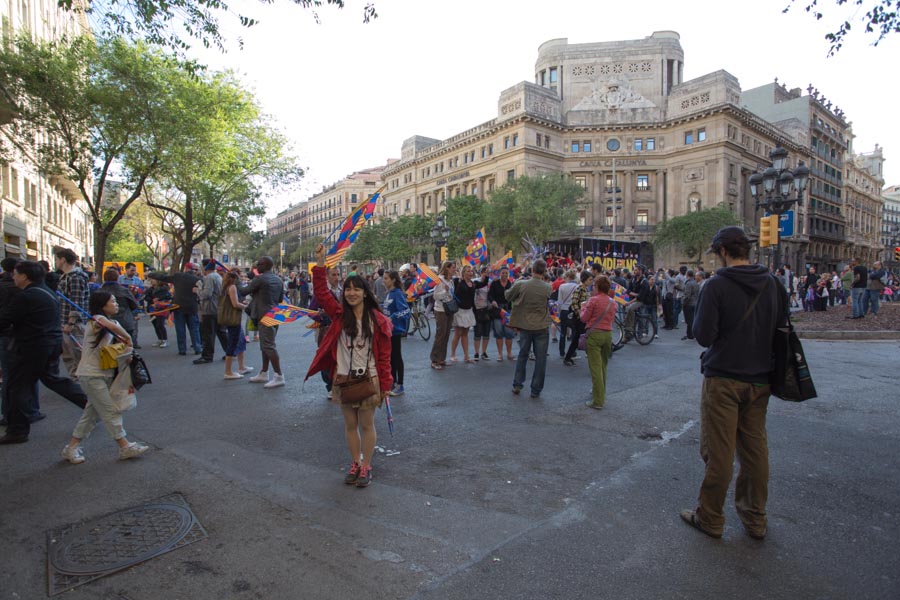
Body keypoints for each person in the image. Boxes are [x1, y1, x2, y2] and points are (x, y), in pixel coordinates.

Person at [681, 226, 786, 541]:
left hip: (724, 378)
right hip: (761, 380)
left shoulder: (717, 285)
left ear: (723, 251)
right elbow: (782, 328)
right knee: (755, 452)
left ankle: (710, 517)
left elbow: (704, 336)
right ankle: (755, 518)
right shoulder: (773, 284)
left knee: (719, 451)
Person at [307, 243, 392, 488]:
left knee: (367, 424)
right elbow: (322, 293)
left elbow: (384, 357)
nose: (351, 293)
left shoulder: (378, 321)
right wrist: (321, 263)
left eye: (356, 289)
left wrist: (386, 385)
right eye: (347, 290)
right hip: (343, 377)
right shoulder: (338, 314)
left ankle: (366, 466)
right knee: (350, 425)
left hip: (369, 378)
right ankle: (355, 462)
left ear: (365, 293)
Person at [0, 261, 88, 444]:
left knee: (18, 387)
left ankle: (17, 430)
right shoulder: (47, 292)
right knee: (52, 379)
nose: (13, 277)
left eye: (15, 274)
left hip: (31, 347)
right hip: (49, 343)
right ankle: (91, 405)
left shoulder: (27, 296)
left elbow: (6, 320)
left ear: (24, 276)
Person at [60, 290, 150, 463]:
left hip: (105, 374)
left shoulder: (110, 323)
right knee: (110, 411)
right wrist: (128, 338)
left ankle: (71, 448)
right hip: (91, 374)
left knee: (91, 415)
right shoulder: (96, 321)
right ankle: (125, 446)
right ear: (102, 305)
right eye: (113, 301)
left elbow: (117, 343)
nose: (116, 304)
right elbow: (114, 328)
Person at [505, 258, 551, 398]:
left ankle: (517, 384)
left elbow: (507, 296)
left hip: (525, 325)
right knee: (541, 358)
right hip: (542, 325)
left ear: (532, 270)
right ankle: (536, 390)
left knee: (523, 355)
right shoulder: (547, 287)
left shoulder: (521, 284)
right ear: (544, 271)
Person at [243, 256, 286, 388]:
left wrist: (235, 281)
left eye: (259, 264)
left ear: (266, 265)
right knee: (265, 344)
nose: (257, 266)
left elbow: (243, 291)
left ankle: (279, 376)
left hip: (264, 314)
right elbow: (279, 299)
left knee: (268, 345)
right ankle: (264, 372)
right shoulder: (278, 280)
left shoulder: (260, 279)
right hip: (275, 314)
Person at [146, 263, 202, 355]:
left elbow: (163, 277)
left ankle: (182, 349)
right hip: (192, 307)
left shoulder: (178, 277)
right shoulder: (197, 279)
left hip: (178, 306)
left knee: (180, 329)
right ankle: (197, 348)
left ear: (185, 268)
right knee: (194, 329)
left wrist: (150, 274)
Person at [580, 275, 617, 409]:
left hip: (594, 335)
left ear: (597, 287)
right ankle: (601, 393)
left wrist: (582, 308)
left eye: (594, 286)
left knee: (595, 368)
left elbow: (584, 319)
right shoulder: (612, 302)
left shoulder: (593, 301)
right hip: (608, 334)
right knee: (603, 366)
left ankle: (598, 400)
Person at [55, 247, 90, 377]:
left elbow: (76, 301)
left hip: (74, 325)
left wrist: (71, 323)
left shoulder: (75, 277)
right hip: (65, 323)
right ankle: (76, 382)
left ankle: (84, 384)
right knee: (69, 356)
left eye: (57, 259)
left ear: (63, 260)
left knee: (78, 355)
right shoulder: (66, 277)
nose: (56, 262)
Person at [450, 264, 489, 363]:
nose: (470, 273)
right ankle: (452, 354)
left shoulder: (474, 283)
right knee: (457, 333)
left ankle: (466, 356)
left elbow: (484, 283)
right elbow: (455, 290)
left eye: (471, 271)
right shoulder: (458, 282)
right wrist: (458, 279)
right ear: (463, 273)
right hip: (459, 311)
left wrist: (486, 275)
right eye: (468, 271)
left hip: (468, 311)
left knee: (465, 334)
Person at [220, 271, 253, 380]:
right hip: (233, 319)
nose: (242, 279)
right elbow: (235, 304)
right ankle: (228, 371)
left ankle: (241, 366)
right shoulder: (232, 287)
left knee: (240, 340)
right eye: (240, 277)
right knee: (233, 343)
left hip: (230, 318)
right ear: (234, 279)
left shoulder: (225, 287)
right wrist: (245, 306)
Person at [195, 260, 229, 364]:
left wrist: (198, 289)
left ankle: (207, 356)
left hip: (210, 309)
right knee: (221, 332)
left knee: (208, 334)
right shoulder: (218, 276)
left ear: (205, 267)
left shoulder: (209, 277)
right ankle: (230, 351)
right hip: (217, 307)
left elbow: (207, 294)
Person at [382, 270, 409, 396]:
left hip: (396, 330)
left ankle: (400, 384)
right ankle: (393, 381)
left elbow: (405, 311)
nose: (384, 280)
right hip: (388, 330)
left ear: (393, 280)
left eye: (386, 278)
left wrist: (392, 317)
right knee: (391, 357)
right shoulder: (389, 294)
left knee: (397, 356)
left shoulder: (397, 293)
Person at [430, 260, 457, 370]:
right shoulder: (440, 280)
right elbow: (435, 296)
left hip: (449, 308)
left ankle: (442, 358)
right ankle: (434, 359)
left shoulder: (451, 281)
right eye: (453, 268)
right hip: (441, 309)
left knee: (446, 335)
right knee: (440, 334)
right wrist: (445, 292)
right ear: (447, 268)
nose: (454, 269)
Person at [563, 270, 593, 365]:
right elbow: (574, 303)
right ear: (584, 280)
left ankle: (568, 357)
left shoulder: (585, 289)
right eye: (589, 280)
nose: (591, 281)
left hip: (582, 318)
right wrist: (580, 313)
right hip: (578, 319)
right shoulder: (579, 289)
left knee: (578, 339)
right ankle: (568, 358)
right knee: (579, 338)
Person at [488, 266, 516, 361]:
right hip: (497, 310)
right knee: (499, 332)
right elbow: (490, 295)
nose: (504, 275)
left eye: (506, 273)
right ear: (500, 273)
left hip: (508, 310)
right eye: (503, 273)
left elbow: (514, 296)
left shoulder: (510, 284)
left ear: (509, 274)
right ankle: (500, 354)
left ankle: (509, 353)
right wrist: (493, 301)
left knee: (509, 332)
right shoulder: (495, 283)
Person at [118, 262, 144, 348]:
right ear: (126, 269)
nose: (133, 272)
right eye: (131, 270)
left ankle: (134, 342)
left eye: (134, 270)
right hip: (122, 305)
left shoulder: (138, 280)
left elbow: (142, 293)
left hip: (133, 305)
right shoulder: (119, 279)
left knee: (134, 324)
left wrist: (137, 294)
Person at [556, 270, 578, 358]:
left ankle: (562, 352)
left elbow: (559, 301)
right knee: (574, 332)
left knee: (563, 332)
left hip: (564, 310)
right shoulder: (578, 287)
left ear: (567, 277)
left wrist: (558, 311)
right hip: (573, 311)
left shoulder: (562, 286)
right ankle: (572, 352)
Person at [472, 266, 492, 361]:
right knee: (477, 332)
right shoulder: (476, 282)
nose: (486, 274)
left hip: (487, 309)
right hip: (478, 309)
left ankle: (484, 352)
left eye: (488, 273)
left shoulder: (490, 283)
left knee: (486, 333)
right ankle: (476, 353)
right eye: (485, 272)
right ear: (481, 273)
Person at [145, 277, 172, 348]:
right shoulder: (150, 289)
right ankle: (160, 339)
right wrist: (152, 300)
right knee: (155, 324)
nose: (151, 281)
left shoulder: (164, 289)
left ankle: (164, 340)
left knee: (160, 324)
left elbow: (168, 297)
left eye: (153, 279)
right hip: (152, 309)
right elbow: (146, 297)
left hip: (160, 309)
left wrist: (159, 300)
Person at [682, 270, 700, 341]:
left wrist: (684, 303)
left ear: (687, 275)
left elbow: (687, 295)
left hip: (689, 304)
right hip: (695, 303)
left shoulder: (689, 283)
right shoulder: (696, 283)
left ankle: (690, 334)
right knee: (692, 319)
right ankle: (691, 333)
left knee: (689, 320)